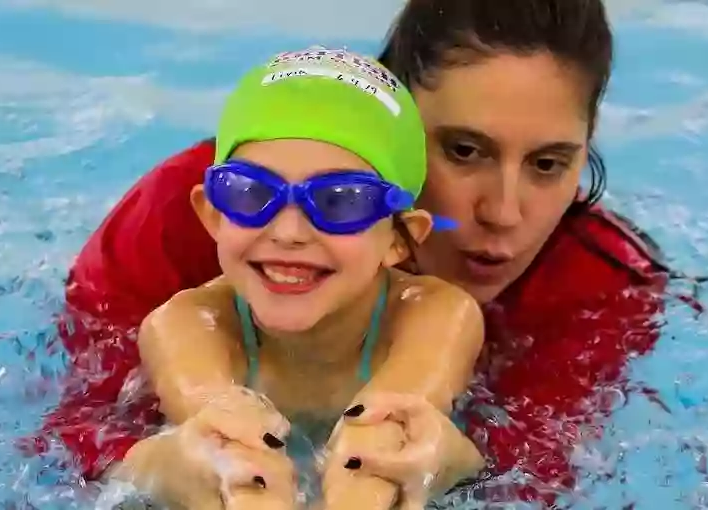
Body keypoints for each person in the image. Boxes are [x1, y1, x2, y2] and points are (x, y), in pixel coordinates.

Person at [24, 0, 701, 506]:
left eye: (550, 164)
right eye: (464, 151)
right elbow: (71, 430)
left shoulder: (596, 281)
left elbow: (537, 473)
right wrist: (154, 467)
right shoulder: (193, 217)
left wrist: (452, 461)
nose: (504, 213)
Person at [106, 46, 490, 509]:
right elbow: (229, 452)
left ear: (399, 240)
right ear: (211, 216)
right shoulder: (185, 324)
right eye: (250, 193)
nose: (288, 232)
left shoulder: (435, 315)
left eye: (341, 201)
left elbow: (384, 442)